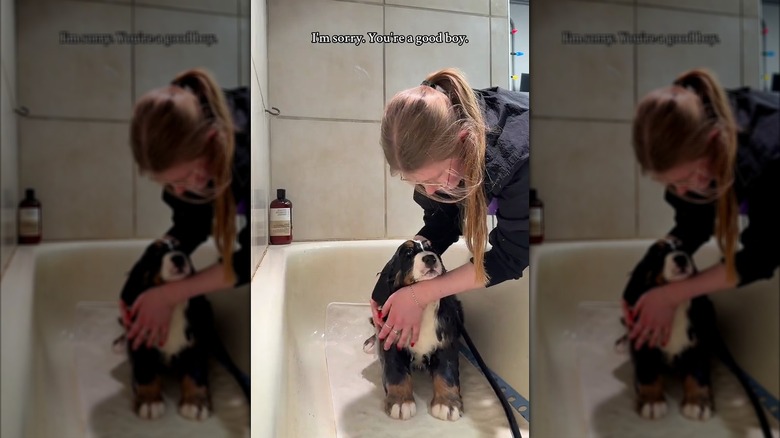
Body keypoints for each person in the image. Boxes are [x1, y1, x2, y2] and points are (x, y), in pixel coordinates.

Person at [371, 68, 530, 351]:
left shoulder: (520, 154)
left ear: (464, 139)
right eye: (419, 183)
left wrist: (421, 295)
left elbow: (512, 257)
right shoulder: (441, 139)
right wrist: (389, 279)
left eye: (436, 178)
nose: (431, 191)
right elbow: (444, 218)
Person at [624, 68, 779, 349]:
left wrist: (672, 295)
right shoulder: (689, 126)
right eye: (671, 185)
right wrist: (637, 283)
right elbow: (693, 225)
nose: (681, 191)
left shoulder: (768, 153)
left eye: (684, 179)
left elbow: (762, 257)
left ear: (712, 144)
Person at [121, 67, 251, 350]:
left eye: (182, 179)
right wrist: (136, 283)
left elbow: (253, 258)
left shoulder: (249, 150)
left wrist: (170, 295)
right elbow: (191, 226)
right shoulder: (185, 141)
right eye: (169, 185)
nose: (179, 192)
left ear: (210, 144)